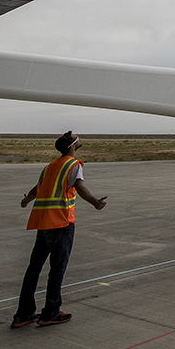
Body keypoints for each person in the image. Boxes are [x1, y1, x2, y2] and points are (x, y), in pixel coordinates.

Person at [12, 132, 107, 329]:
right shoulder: (73, 165)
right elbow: (80, 187)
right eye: (76, 139)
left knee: (33, 269)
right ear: (72, 146)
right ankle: (51, 312)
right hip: (62, 224)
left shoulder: (50, 167)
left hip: (43, 224)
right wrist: (95, 202)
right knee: (57, 270)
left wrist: (25, 201)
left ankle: (24, 313)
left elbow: (37, 189)